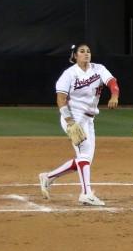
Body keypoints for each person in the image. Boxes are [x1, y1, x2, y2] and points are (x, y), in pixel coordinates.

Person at [38, 43, 120, 206]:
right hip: (73, 118)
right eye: (82, 51)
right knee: (84, 156)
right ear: (75, 56)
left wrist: (114, 96)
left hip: (89, 119)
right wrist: (70, 122)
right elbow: (60, 99)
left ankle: (48, 177)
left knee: (85, 159)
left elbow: (112, 82)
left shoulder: (98, 69)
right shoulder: (69, 74)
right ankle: (86, 193)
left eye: (88, 51)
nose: (86, 53)